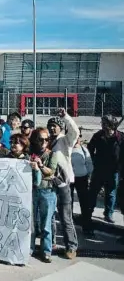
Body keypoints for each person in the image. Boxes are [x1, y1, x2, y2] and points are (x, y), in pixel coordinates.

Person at [47, 108, 79, 259]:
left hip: (64, 183)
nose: (52, 127)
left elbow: (74, 131)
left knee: (65, 216)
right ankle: (51, 242)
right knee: (51, 215)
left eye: (55, 125)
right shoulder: (47, 142)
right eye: (50, 125)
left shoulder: (65, 140)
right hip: (49, 183)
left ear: (60, 127)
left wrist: (65, 117)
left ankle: (71, 246)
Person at [30, 128, 59, 263]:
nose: (43, 142)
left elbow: (51, 171)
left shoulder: (52, 154)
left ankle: (46, 251)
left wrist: (40, 166)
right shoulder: (31, 153)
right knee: (31, 223)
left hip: (47, 192)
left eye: (46, 139)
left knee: (46, 223)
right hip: (33, 191)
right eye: (40, 139)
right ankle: (29, 248)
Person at [87, 114, 122, 226]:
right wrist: (92, 161)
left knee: (111, 192)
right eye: (102, 123)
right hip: (99, 169)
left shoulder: (120, 138)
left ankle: (108, 213)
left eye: (105, 123)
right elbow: (90, 149)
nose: (103, 125)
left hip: (113, 170)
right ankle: (88, 212)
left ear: (112, 125)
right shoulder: (98, 136)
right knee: (93, 191)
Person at [70, 132, 94, 236]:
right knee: (68, 204)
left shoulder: (84, 149)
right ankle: (69, 228)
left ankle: (87, 227)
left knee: (85, 204)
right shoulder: (67, 148)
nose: (76, 139)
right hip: (69, 179)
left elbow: (89, 164)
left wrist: (88, 175)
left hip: (82, 179)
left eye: (78, 137)